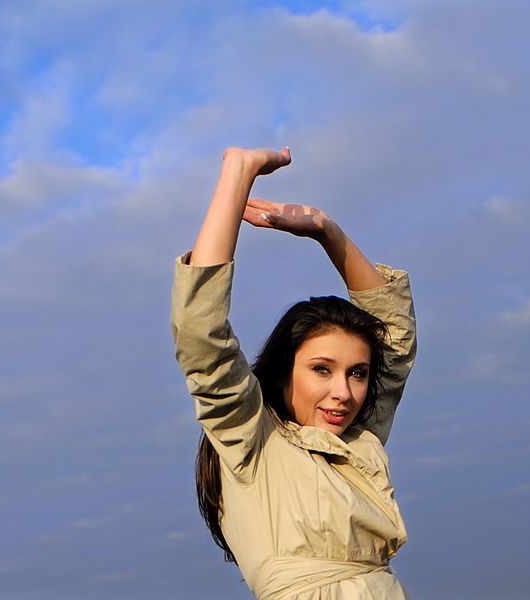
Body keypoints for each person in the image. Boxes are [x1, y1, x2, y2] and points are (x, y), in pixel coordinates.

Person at [170, 146, 417, 599]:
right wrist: (237, 176)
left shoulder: (357, 444)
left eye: (358, 373)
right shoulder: (251, 441)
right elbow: (201, 334)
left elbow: (395, 336)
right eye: (322, 369)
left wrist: (328, 233)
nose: (343, 392)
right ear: (285, 373)